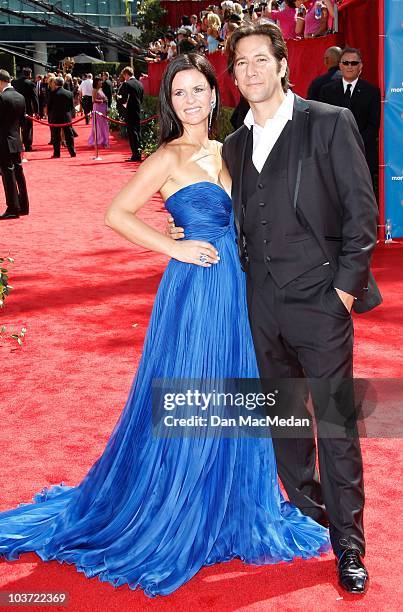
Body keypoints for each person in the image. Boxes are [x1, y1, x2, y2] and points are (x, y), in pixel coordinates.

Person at [0, 53, 330, 597]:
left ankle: (228, 506)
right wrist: (173, 247)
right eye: (179, 93)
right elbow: (117, 213)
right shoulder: (167, 157)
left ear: (213, 94)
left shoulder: (233, 150)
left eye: (198, 89)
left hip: (240, 292)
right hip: (196, 292)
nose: (190, 100)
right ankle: (180, 507)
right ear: (169, 102)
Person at [169, 23, 381, 595]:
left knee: (336, 425)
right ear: (233, 76)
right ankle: (313, 515)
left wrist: (341, 292)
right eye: (242, 63)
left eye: (262, 59)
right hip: (258, 306)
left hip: (321, 302)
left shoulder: (328, 123)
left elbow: (363, 218)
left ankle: (350, 545)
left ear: (282, 64)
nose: (252, 70)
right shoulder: (233, 146)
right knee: (286, 427)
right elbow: (222, 209)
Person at [320, 47, 381, 196]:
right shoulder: (326, 91)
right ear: (340, 65)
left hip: (363, 155)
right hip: (333, 155)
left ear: (361, 66)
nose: (349, 66)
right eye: (346, 63)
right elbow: (321, 123)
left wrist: (354, 143)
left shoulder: (372, 92)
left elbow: (374, 125)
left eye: (354, 63)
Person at [0, 70, 30, 220]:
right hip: (16, 139)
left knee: (8, 175)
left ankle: (13, 207)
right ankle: (24, 206)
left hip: (3, 141)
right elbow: (23, 122)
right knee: (19, 173)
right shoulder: (20, 96)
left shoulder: (1, 97)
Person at [118, 66, 144, 162]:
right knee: (138, 132)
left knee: (132, 133)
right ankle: (139, 153)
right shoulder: (140, 84)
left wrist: (123, 108)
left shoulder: (126, 84)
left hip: (130, 111)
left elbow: (123, 99)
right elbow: (141, 98)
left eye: (123, 75)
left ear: (126, 74)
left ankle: (135, 155)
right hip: (137, 110)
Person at [47, 76, 76, 158]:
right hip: (66, 116)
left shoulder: (52, 93)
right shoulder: (69, 93)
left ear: (55, 84)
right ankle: (72, 152)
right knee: (69, 135)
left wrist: (50, 114)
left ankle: (57, 153)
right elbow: (71, 106)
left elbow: (49, 106)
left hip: (55, 117)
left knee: (56, 136)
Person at [11, 67, 39, 152]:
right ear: (30, 74)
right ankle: (28, 146)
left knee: (16, 127)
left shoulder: (14, 82)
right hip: (27, 108)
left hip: (15, 107)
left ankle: (17, 145)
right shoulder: (30, 83)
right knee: (28, 127)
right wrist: (37, 112)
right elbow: (35, 98)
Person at [88, 76, 109, 148]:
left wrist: (105, 101)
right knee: (99, 125)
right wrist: (102, 101)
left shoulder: (101, 89)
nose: (101, 82)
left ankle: (104, 140)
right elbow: (93, 100)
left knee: (104, 125)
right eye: (100, 81)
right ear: (97, 83)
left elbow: (104, 98)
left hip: (103, 109)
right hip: (98, 109)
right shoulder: (94, 90)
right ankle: (99, 141)